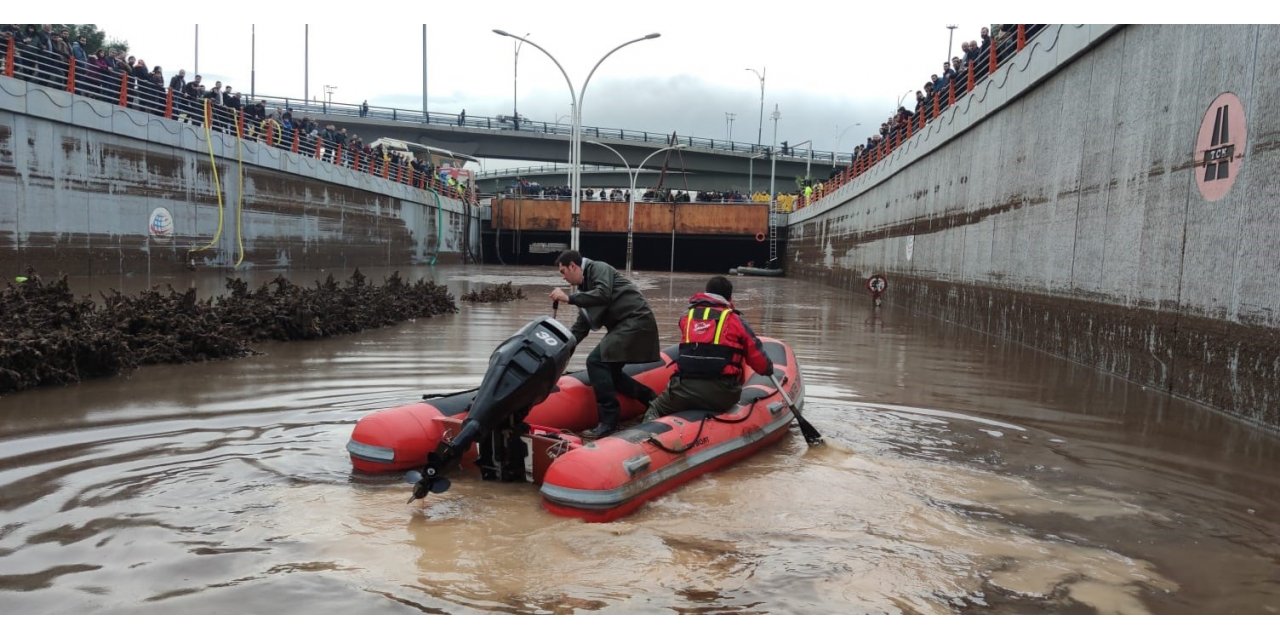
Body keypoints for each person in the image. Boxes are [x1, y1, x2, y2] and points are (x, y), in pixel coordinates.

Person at [549, 250, 660, 438]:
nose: (563, 277)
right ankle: (652, 399)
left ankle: (608, 422)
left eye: (563, 272)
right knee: (611, 373)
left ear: (573, 266)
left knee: (596, 361)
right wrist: (559, 353)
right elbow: (580, 328)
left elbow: (603, 294)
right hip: (624, 326)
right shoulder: (585, 290)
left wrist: (569, 298)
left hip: (636, 321)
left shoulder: (598, 268)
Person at [643, 276, 774, 422]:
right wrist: (768, 369)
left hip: (684, 390)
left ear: (706, 292)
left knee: (655, 408)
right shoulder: (736, 321)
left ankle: (644, 438)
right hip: (722, 395)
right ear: (729, 297)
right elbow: (759, 361)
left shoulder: (686, 318)